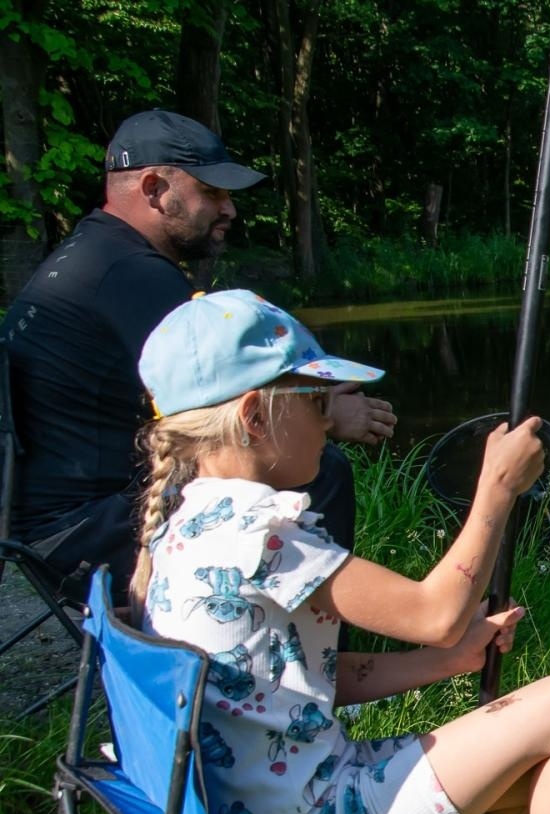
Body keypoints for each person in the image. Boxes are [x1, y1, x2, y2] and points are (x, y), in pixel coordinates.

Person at [130, 289, 550, 814]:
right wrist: (497, 489)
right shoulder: (262, 534)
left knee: (525, 758)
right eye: (315, 402)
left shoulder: (187, 524)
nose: (329, 423)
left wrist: (446, 663)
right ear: (254, 417)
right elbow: (437, 609)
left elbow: (299, 678)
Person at [0, 109, 395, 604]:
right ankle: (308, 658)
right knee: (320, 467)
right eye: (211, 192)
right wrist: (332, 413)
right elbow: (244, 407)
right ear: (152, 188)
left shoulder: (92, 256)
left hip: (51, 532)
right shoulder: (130, 276)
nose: (229, 209)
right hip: (84, 538)